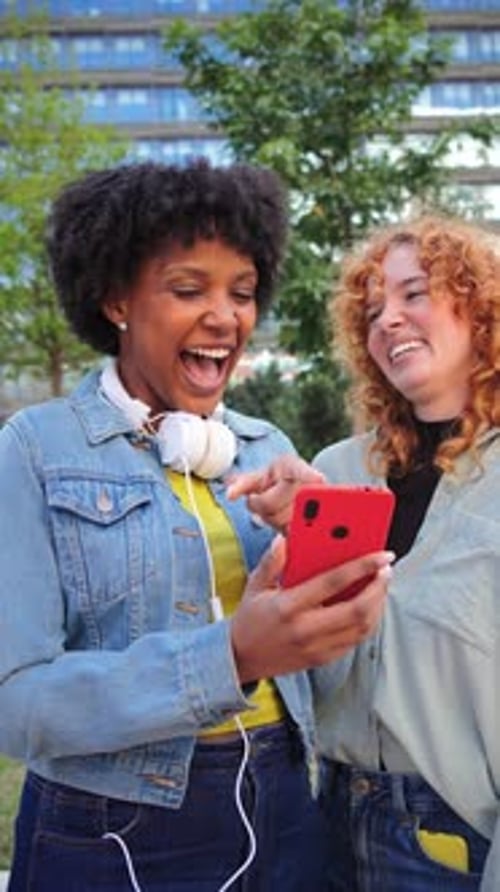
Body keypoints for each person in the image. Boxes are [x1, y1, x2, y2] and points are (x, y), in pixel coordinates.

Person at [0, 159, 393, 892]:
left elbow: (325, 674)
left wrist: (332, 575)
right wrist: (229, 656)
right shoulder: (34, 449)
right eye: (189, 289)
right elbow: (16, 704)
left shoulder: (268, 449)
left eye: (242, 293)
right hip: (111, 830)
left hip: (282, 802)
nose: (225, 317)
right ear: (116, 297)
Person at [228, 213, 499, 891]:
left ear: (481, 307)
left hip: (458, 841)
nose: (389, 320)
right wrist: (289, 542)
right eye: (374, 309)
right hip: (324, 820)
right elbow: (305, 672)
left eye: (414, 294)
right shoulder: (335, 470)